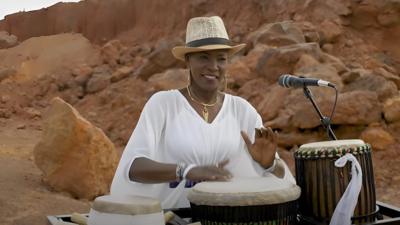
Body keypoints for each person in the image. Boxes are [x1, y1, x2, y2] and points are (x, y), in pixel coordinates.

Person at [110, 16, 295, 209]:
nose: (213, 67)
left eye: (221, 59)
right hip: (173, 217)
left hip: (225, 218)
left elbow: (281, 176)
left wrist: (268, 164)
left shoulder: (242, 110)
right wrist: (187, 170)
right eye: (204, 57)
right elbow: (133, 168)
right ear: (188, 61)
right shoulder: (164, 104)